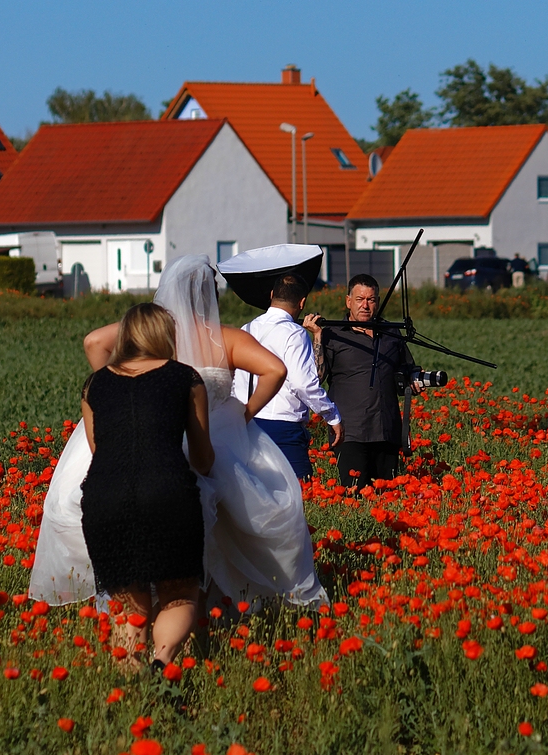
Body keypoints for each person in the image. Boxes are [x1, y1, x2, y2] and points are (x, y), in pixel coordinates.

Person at [29, 255, 327, 618]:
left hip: (138, 431)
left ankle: (140, 609)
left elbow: (94, 341)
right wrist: (244, 412)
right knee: (224, 523)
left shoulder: (147, 333)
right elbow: (275, 369)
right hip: (213, 435)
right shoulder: (224, 338)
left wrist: (119, 386)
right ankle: (203, 608)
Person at [78, 302, 214, 671]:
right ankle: (162, 659)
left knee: (127, 601)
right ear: (166, 335)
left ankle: (134, 691)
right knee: (178, 592)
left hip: (106, 497)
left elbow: (98, 450)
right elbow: (203, 458)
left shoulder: (95, 385)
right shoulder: (186, 378)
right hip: (168, 493)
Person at [303, 273, 420, 489]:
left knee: (388, 499)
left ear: (377, 301)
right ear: (348, 301)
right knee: (354, 496)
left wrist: (415, 380)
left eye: (371, 300)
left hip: (386, 430)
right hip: (350, 432)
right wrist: (317, 337)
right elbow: (317, 377)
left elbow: (407, 369)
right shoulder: (333, 334)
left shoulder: (391, 332)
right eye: (359, 299)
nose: (365, 305)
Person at [232, 272, 340, 481]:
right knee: (299, 491)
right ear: (302, 302)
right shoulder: (294, 334)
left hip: (245, 420)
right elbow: (303, 384)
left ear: (272, 294)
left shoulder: (247, 329)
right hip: (281, 426)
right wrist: (331, 415)